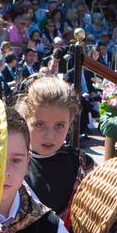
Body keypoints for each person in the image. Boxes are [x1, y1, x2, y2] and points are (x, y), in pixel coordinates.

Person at [19, 75, 93, 218]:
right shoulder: (11, 161)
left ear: (70, 123)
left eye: (59, 126)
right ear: (25, 120)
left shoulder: (81, 164)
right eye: (39, 125)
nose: (50, 136)